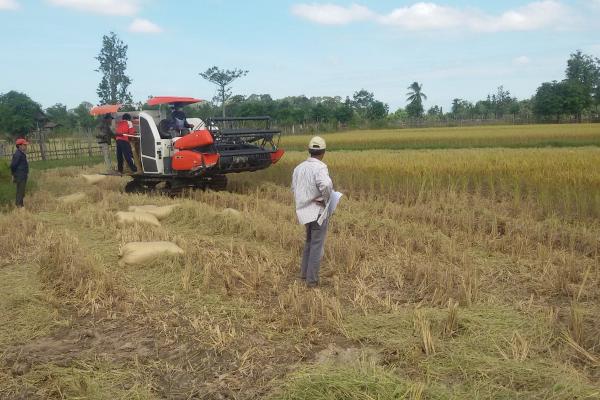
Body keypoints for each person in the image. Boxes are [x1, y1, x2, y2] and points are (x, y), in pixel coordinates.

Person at [291, 136, 333, 288]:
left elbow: (294, 189)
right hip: (317, 212)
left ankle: (304, 274)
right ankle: (312, 281)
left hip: (303, 212)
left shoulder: (299, 168)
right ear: (323, 152)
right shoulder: (320, 167)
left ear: (309, 151)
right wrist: (326, 199)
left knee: (309, 242)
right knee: (316, 245)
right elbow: (326, 185)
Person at [10, 138, 29, 208]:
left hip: (22, 175)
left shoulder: (21, 153)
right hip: (20, 175)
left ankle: (21, 205)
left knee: (22, 191)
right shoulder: (18, 154)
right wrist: (13, 175)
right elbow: (13, 165)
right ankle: (18, 206)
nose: (26, 146)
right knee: (20, 191)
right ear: (20, 146)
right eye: (24, 145)